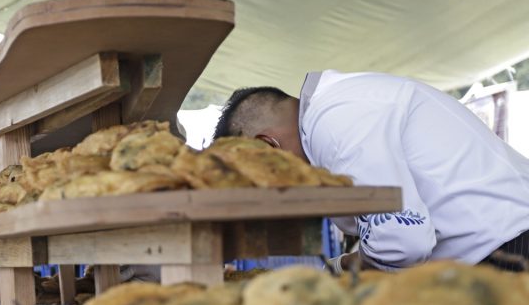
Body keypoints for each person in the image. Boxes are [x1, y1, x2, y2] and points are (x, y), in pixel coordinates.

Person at [212, 71, 529, 273]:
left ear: (267, 146)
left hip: (510, 249)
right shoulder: (338, 110)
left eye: (259, 179)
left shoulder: (334, 121)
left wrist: (339, 270)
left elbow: (403, 244)